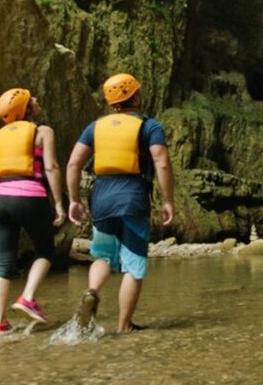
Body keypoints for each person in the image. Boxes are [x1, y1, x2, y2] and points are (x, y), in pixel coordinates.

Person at [67, 73, 174, 333]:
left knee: (103, 256)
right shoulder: (150, 126)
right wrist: (168, 200)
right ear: (136, 97)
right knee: (134, 264)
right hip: (132, 198)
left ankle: (92, 291)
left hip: (101, 198)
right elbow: (161, 162)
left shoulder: (95, 127)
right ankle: (124, 326)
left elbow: (73, 163)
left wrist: (73, 199)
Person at [0, 88, 67, 334]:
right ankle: (27, 297)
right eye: (31, 99)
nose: (36, 99)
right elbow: (51, 167)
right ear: (25, 109)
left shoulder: (0, 135)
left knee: (4, 262)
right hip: (30, 196)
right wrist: (58, 204)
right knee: (45, 249)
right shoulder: (43, 132)